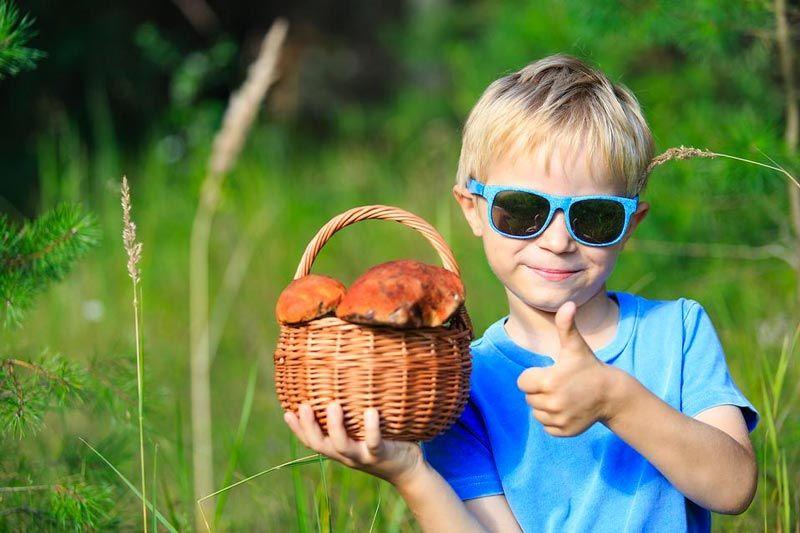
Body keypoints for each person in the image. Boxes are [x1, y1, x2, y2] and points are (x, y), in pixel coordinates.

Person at [282, 53, 760, 532]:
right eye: (521, 210)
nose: (557, 241)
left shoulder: (676, 330)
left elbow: (733, 487)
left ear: (629, 225)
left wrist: (616, 400)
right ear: (472, 209)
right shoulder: (460, 385)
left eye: (594, 216)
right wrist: (410, 472)